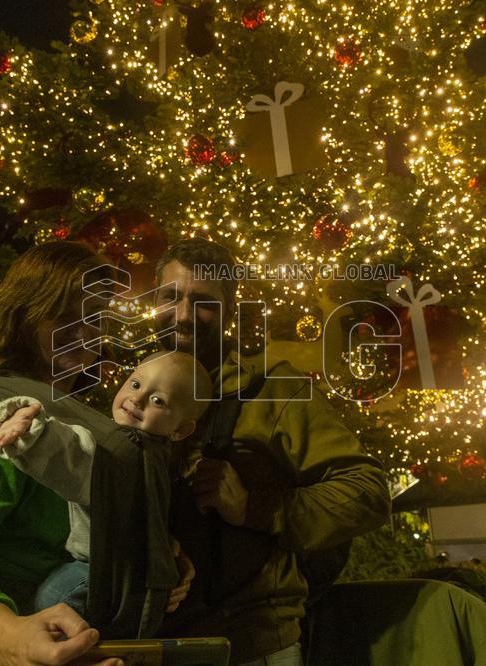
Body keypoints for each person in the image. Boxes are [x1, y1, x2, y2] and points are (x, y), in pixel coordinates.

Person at [150, 238, 391, 664]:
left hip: (251, 644)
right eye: (171, 297)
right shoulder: (133, 395)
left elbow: (368, 491)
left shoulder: (274, 388)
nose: (184, 315)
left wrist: (253, 507)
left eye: (203, 302)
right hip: (155, 641)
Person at [0, 241, 139, 666]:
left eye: (94, 319)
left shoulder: (79, 422)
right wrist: (8, 634)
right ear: (24, 314)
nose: (85, 334)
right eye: (65, 317)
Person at [0, 350, 210, 616]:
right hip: (137, 577)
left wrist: (28, 425)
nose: (137, 399)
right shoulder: (159, 455)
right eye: (136, 384)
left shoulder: (118, 452)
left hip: (96, 571)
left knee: (47, 601)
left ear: (181, 430)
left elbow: (72, 449)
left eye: (158, 401)